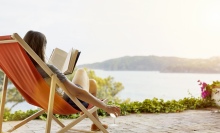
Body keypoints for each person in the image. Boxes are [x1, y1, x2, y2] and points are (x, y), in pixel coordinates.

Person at [23, 30, 120, 131]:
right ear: (41, 47)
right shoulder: (48, 68)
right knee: (81, 72)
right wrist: (106, 107)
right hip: (69, 101)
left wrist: (59, 79)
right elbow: (77, 93)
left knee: (92, 83)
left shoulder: (23, 69)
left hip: (44, 100)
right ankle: (91, 115)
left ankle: (96, 123)